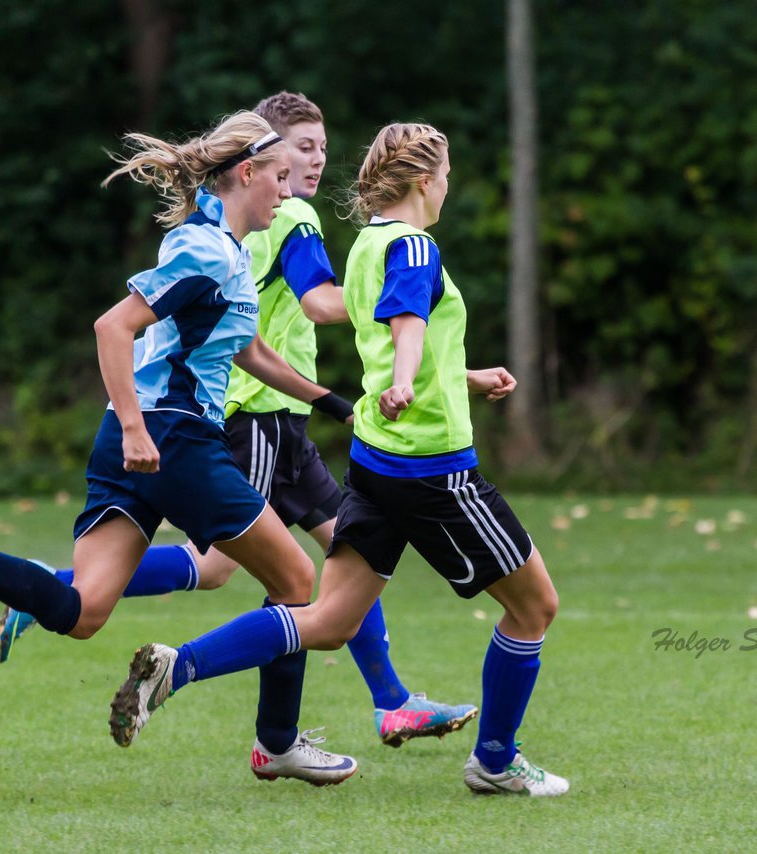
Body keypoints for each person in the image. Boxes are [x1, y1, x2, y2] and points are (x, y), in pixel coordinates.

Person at [0, 110, 359, 786]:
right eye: (279, 176)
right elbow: (114, 327)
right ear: (246, 173)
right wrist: (139, 428)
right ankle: (274, 742)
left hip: (133, 440)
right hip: (174, 439)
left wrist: (327, 401)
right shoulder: (208, 252)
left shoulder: (222, 248)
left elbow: (248, 349)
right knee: (297, 583)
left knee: (82, 613)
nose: (286, 191)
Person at [0, 91, 478, 749]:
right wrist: (396, 298)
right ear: (259, 161)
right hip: (251, 420)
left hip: (282, 418)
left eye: (323, 149)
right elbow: (319, 303)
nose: (313, 163)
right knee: (278, 569)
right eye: (300, 150)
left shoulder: (246, 221)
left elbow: (249, 333)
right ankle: (293, 724)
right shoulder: (297, 219)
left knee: (330, 555)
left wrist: (355, 383)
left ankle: (379, 702)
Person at [107, 122, 569, 796]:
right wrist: (411, 382)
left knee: (326, 621)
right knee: (535, 608)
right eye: (444, 176)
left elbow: (391, 331)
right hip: (434, 469)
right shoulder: (413, 243)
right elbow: (407, 328)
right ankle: (495, 762)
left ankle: (178, 668)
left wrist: (461, 376)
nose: (447, 188)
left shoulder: (367, 247)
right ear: (421, 180)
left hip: (376, 462)